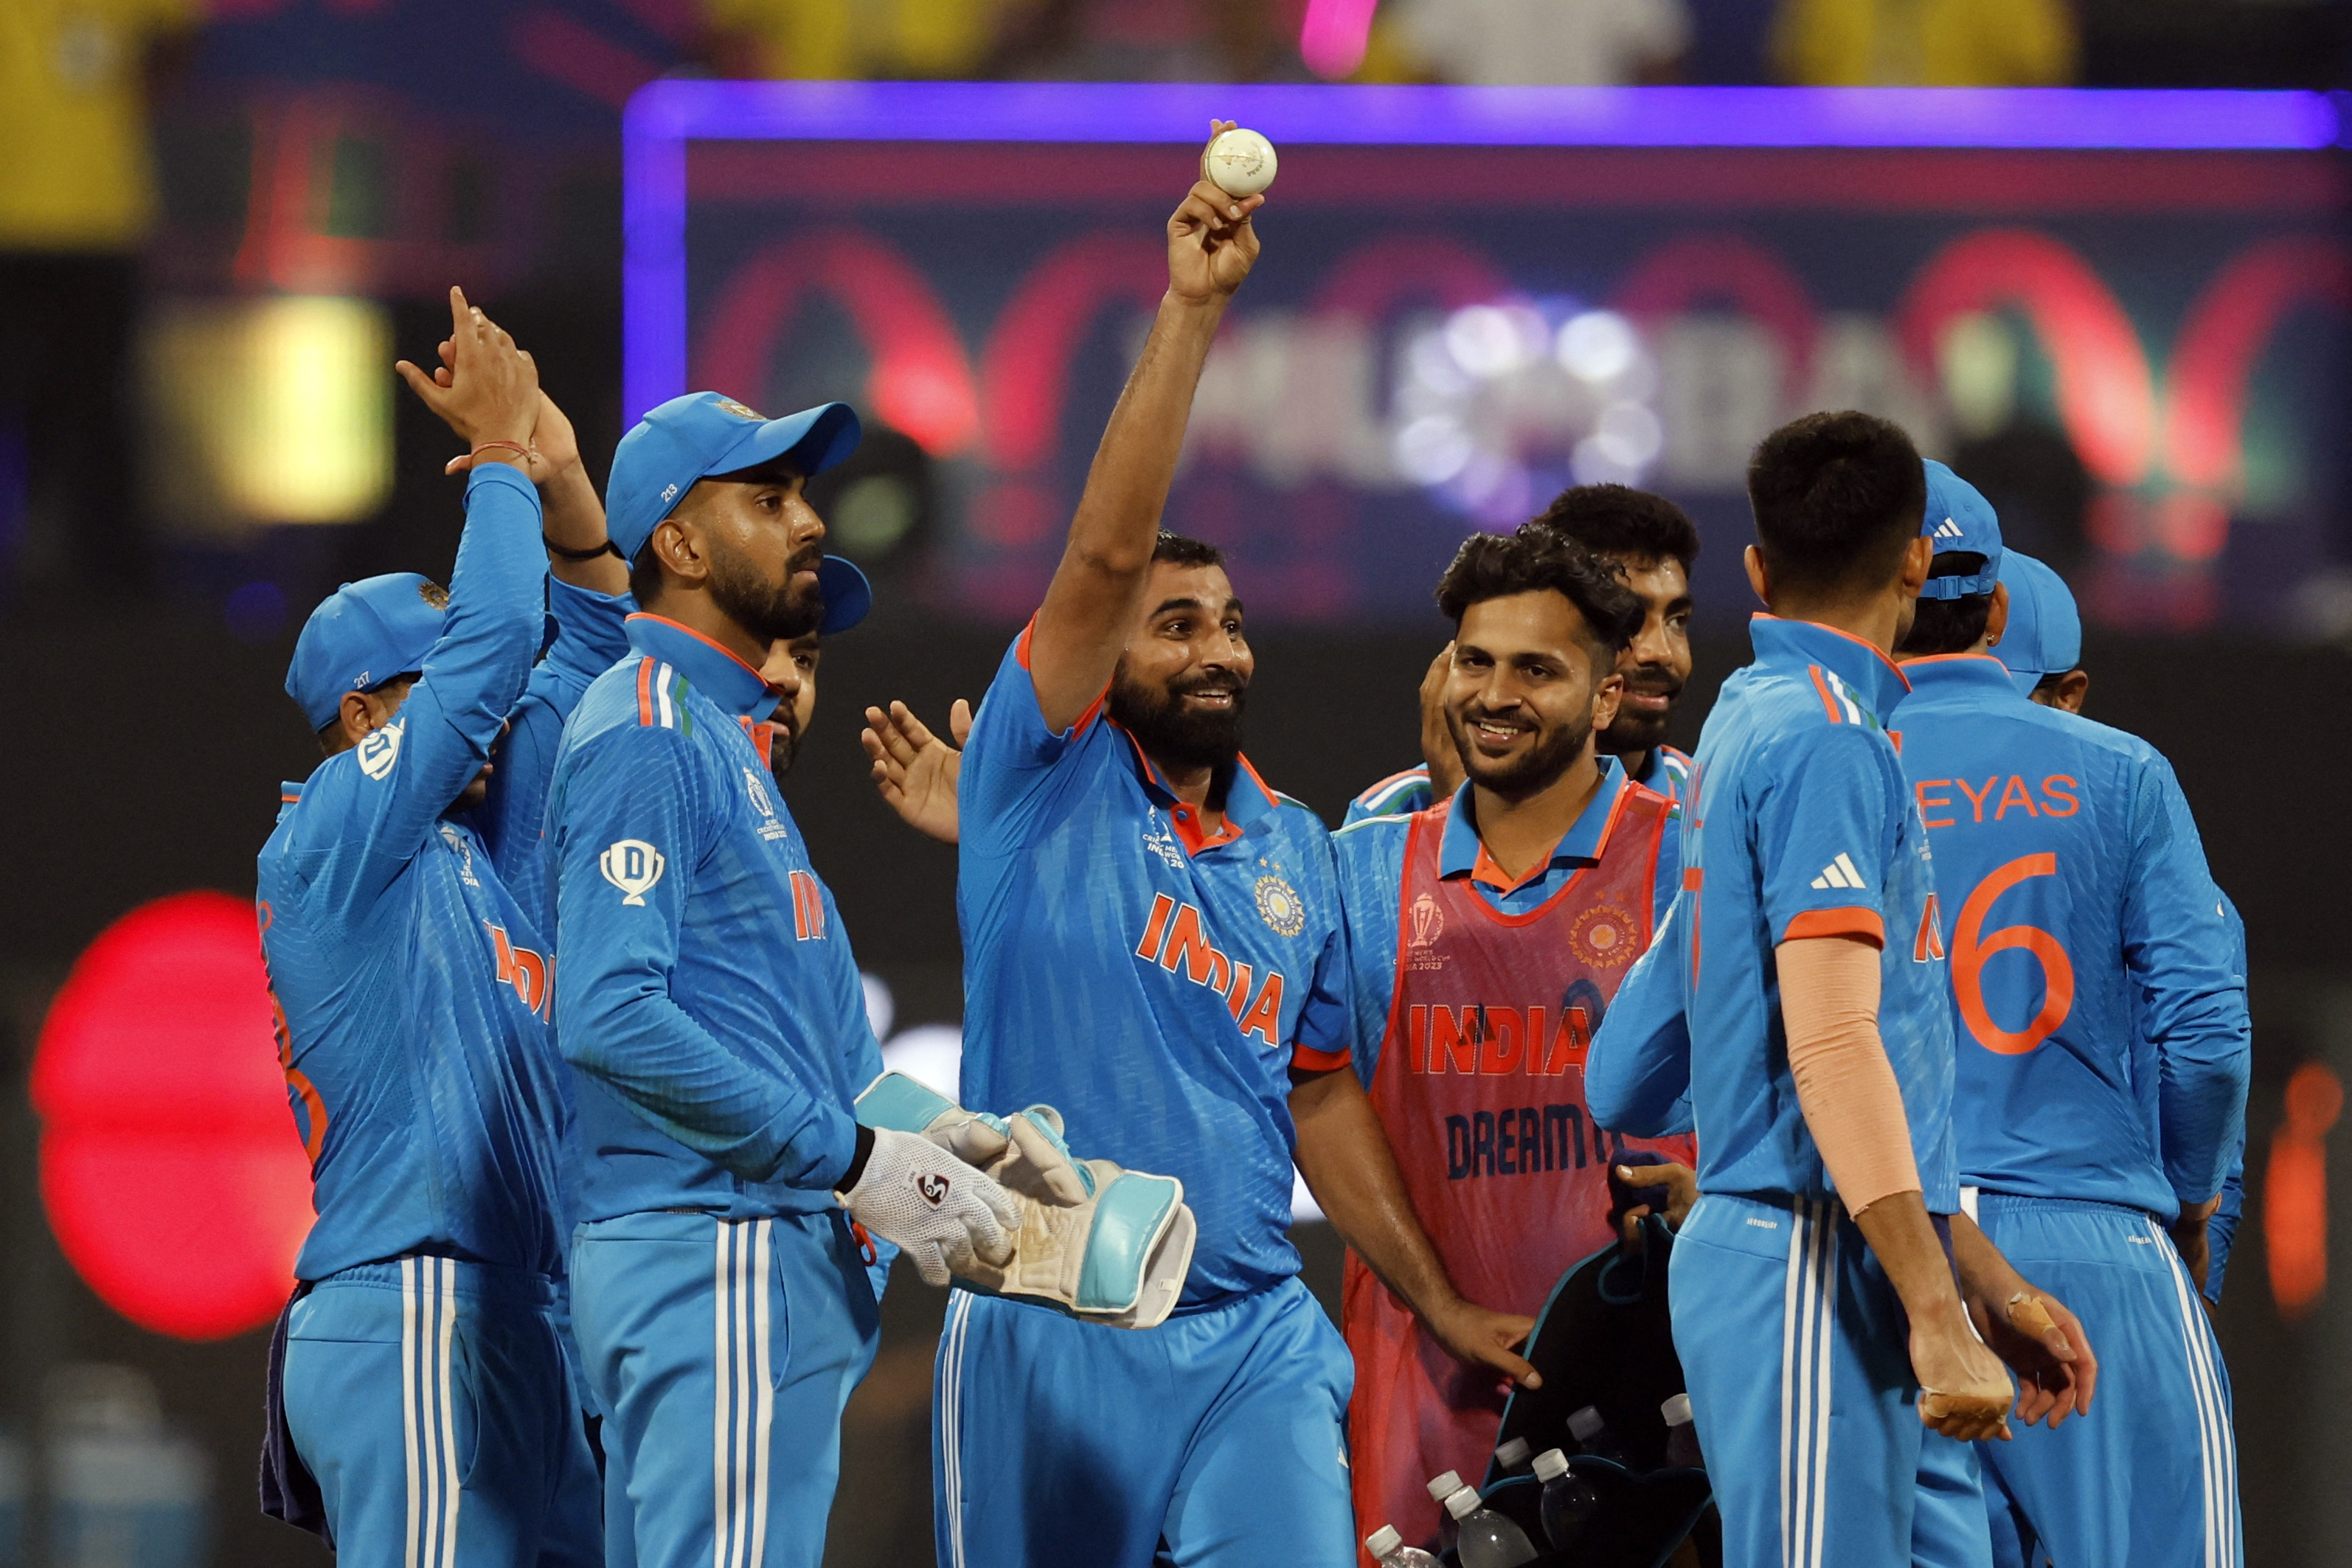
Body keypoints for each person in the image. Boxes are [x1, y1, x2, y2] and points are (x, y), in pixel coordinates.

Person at [905, 142, 1531, 1568]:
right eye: (1173, 621)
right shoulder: (1035, 776)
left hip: (1250, 1335)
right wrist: (1188, 311)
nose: (1214, 644)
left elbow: (1315, 1096)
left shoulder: (1295, 849)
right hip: (1045, 1330)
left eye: (1229, 620)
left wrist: (1428, 1301)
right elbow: (1096, 560)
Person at [1590, 411, 2093, 1568]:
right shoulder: (1828, 744)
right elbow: (1829, 1044)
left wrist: (1982, 1281)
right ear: (1918, 559)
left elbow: (1620, 1071)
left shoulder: (1743, 725)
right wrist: (1934, 1310)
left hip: (1833, 1252)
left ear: (1761, 570)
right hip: (1813, 1267)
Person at [547, 389, 1017, 1568]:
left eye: (802, 492)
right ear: (683, 545)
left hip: (745, 1257)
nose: (811, 518)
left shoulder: (717, 748)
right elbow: (606, 1012)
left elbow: (804, 1056)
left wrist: (943, 1133)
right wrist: (860, 1159)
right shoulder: (650, 723)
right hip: (720, 1250)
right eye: (770, 496)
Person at [257, 290, 608, 1567]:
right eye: (441, 682)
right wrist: (501, 461)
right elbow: (506, 635)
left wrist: (559, 476)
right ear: (364, 717)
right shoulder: (333, 838)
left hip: (525, 1311)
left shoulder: (487, 847)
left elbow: (586, 650)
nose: (491, 711)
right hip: (406, 1295)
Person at [1893, 489, 2248, 1568]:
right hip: (2085, 1241)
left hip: (1882, 1248)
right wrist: (2192, 1203)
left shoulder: (1808, 761)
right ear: (1993, 613)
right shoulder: (2119, 772)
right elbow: (2207, 1035)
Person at [1328, 523, 1696, 1554]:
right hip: (1426, 1396)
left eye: (1536, 669)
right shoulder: (1358, 869)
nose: (1495, 695)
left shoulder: (1688, 856)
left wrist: (1710, 1192)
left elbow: (1779, 1083)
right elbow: (1318, 1101)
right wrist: (1440, 1305)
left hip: (1658, 1387)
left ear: (1607, 692)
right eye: (1475, 662)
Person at [1343, 483, 1699, 825]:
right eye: (1632, 620)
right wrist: (1458, 807)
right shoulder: (1385, 817)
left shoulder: (1715, 807)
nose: (1662, 653)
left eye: (1677, 621)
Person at [0, 0, 198, 594]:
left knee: (97, 402)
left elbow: (179, 36)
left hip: (100, 213)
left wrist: (138, 94)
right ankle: (77, 565)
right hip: (24, 213)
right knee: (70, 399)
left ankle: (101, 572)